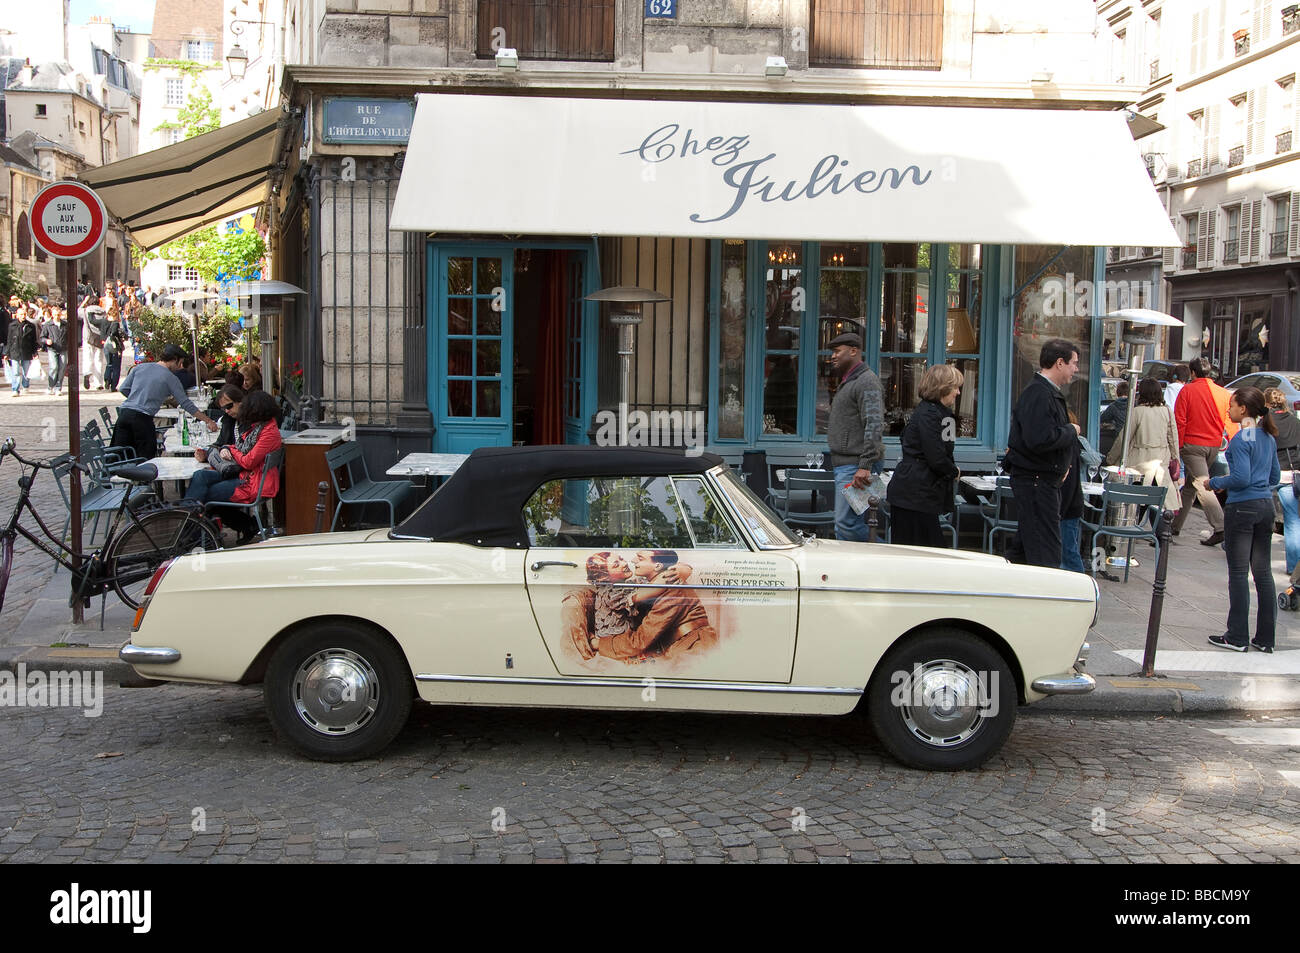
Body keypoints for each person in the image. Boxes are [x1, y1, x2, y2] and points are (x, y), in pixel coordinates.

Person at [1202, 387, 1280, 653]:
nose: (1229, 409)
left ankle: (1236, 636)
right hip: (1265, 507)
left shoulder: (1240, 438)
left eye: (1232, 405)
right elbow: (1274, 478)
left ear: (1243, 410)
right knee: (1263, 574)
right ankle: (1265, 639)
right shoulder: (1267, 437)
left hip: (1242, 507)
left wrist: (1215, 482)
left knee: (1238, 573)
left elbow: (1241, 478)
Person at [1003, 339, 1081, 567]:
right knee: (1045, 552)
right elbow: (1039, 439)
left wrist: (1063, 465)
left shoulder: (1046, 392)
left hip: (1041, 481)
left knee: (1026, 548)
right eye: (1073, 363)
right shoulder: (1039, 393)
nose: (1076, 369)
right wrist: (1071, 430)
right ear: (1059, 363)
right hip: (1037, 482)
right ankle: (1046, 598)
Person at [185, 389, 282, 544]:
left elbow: (248, 460)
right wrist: (229, 449)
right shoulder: (258, 427)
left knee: (205, 495)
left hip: (252, 482)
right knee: (200, 476)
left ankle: (191, 533)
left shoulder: (268, 432)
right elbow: (239, 448)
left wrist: (230, 450)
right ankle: (188, 524)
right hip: (245, 473)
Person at [886, 364, 961, 547]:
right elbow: (936, 457)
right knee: (923, 550)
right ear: (943, 387)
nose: (958, 392)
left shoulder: (944, 415)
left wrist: (951, 468)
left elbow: (946, 450)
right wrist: (953, 472)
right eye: (955, 387)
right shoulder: (930, 414)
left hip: (919, 493)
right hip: (915, 493)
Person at [825, 331, 885, 542]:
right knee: (846, 525)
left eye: (837, 351)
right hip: (848, 465)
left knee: (846, 524)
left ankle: (886, 559)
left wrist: (865, 465)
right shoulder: (850, 381)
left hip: (856, 467)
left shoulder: (866, 381)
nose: (832, 356)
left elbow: (874, 423)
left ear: (853, 351)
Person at [112, 344, 219, 460]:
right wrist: (208, 420)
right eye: (180, 363)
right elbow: (186, 404)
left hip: (124, 414)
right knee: (146, 459)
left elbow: (123, 389)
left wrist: (138, 398)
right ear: (174, 360)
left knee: (119, 457)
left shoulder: (139, 368)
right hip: (143, 419)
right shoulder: (170, 378)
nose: (180, 367)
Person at [1172, 357, 1236, 545]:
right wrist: (1233, 442)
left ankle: (1220, 526)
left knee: (1201, 484)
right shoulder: (1223, 393)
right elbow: (1230, 421)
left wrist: (1179, 445)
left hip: (1192, 444)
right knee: (1191, 486)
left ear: (1192, 373)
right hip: (1214, 445)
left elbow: (1180, 420)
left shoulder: (1188, 390)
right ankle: (1175, 526)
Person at [1118, 378, 1181, 511]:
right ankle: (1161, 531)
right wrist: (1176, 459)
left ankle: (1137, 529)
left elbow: (1123, 439)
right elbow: (1173, 438)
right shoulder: (1167, 411)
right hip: (1161, 464)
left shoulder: (1137, 412)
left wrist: (1112, 459)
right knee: (1161, 504)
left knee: (1138, 505)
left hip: (1139, 466)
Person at [1265, 388, 1300, 609]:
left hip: (1270, 472)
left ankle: (1251, 553)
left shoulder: (1265, 421)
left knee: (1261, 513)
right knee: (1293, 521)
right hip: (1292, 473)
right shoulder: (1295, 421)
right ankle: (1293, 565)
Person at [5, 304, 38, 396]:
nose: (23, 316)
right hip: (14, 351)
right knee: (15, 372)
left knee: (26, 371)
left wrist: (34, 352)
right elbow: (9, 339)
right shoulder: (12, 325)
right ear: (17, 315)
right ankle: (15, 389)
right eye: (21, 314)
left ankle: (25, 385)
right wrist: (6, 353)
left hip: (26, 351)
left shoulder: (30, 326)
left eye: (24, 314)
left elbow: (33, 341)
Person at [40, 307, 67, 397]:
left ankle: (58, 387)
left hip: (63, 348)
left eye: (58, 314)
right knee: (54, 367)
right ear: (52, 314)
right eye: (55, 314)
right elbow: (42, 337)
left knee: (62, 368)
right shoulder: (48, 325)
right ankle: (51, 385)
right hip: (52, 349)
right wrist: (47, 341)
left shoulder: (65, 324)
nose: (57, 316)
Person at [1100, 380, 1129, 463]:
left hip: (1118, 437)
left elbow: (1103, 418)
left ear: (1117, 393)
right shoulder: (1134, 405)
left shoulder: (1114, 406)